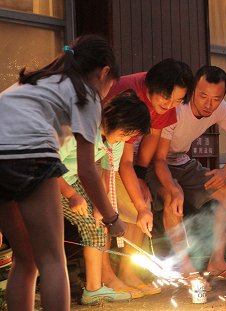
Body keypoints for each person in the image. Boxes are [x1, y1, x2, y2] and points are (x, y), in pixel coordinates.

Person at [0, 34, 125, 311]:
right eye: (110, 85)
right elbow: (87, 170)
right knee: (52, 260)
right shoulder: (86, 93)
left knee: (26, 257)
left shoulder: (36, 81)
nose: (107, 93)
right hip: (30, 156)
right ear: (104, 72)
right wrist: (112, 217)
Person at [148, 65, 226, 280]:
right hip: (154, 163)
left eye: (216, 98)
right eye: (203, 95)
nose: (209, 103)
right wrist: (173, 188)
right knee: (172, 197)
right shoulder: (176, 109)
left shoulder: (220, 108)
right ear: (193, 89)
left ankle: (217, 262)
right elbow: (159, 159)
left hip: (183, 161)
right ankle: (185, 267)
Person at [103, 58, 193, 293]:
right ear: (150, 86)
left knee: (141, 203)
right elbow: (121, 160)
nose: (171, 105)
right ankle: (106, 277)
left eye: (179, 100)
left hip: (121, 157)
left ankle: (128, 272)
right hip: (97, 155)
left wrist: (141, 175)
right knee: (108, 207)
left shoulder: (164, 105)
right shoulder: (127, 95)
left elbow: (151, 137)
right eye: (167, 98)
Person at [59, 90, 151, 304]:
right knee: (86, 222)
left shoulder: (116, 142)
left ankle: (93, 289)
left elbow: (107, 171)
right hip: (49, 178)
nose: (125, 140)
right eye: (124, 133)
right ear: (112, 119)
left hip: (71, 179)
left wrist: (103, 207)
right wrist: (72, 195)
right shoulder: (77, 130)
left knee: (98, 225)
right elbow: (48, 164)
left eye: (130, 136)